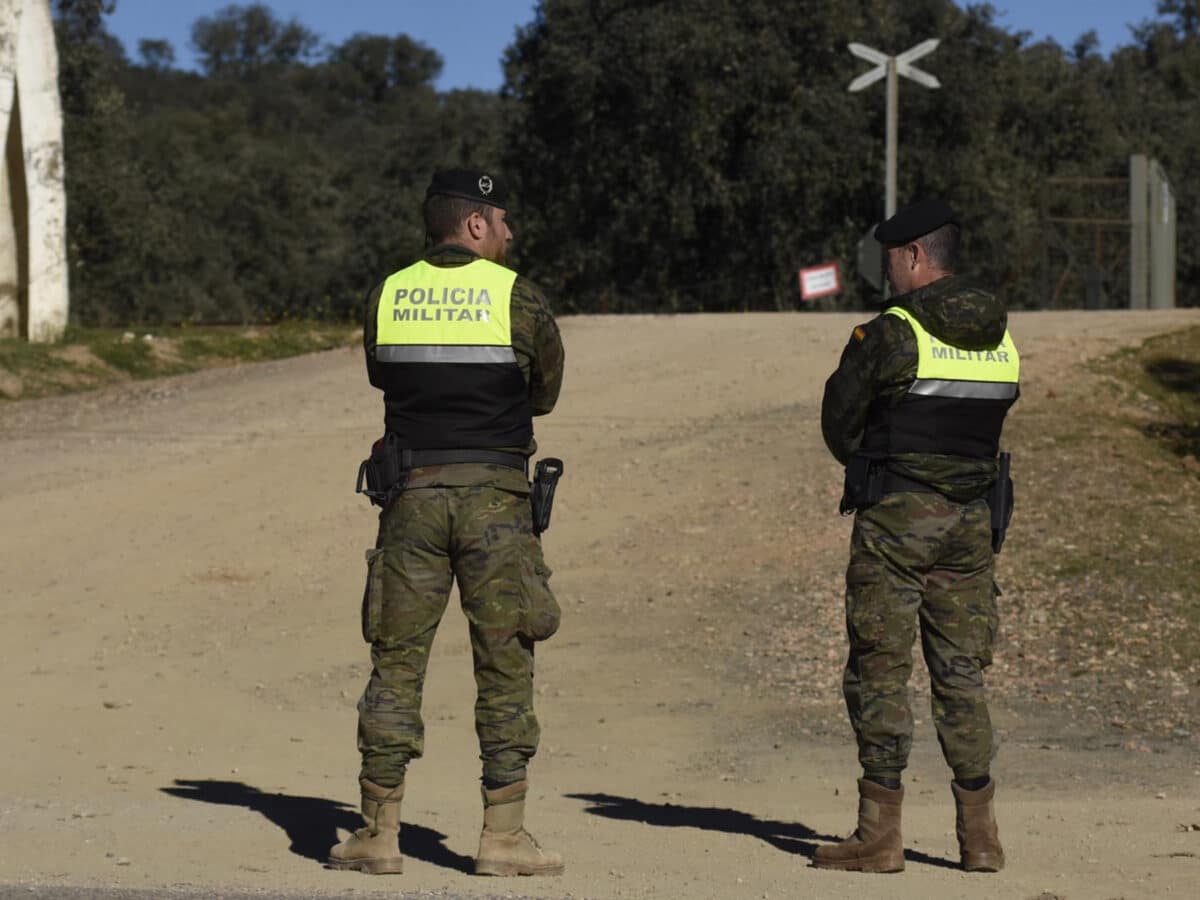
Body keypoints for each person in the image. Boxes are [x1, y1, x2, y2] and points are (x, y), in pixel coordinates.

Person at [328, 168, 566, 877]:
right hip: (496, 500)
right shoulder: (517, 296)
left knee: (396, 662)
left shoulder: (388, 294)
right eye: (501, 221)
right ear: (473, 225)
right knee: (505, 662)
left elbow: (382, 375)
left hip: (412, 500)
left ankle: (376, 832)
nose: (509, 233)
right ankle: (503, 837)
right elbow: (545, 390)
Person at [815, 197, 1019, 874]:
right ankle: (981, 838)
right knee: (962, 673)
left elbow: (840, 425)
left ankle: (879, 835)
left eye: (893, 259)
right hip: (971, 521)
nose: (889, 271)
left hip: (899, 519)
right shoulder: (1000, 333)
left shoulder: (894, 333)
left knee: (879, 667)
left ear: (914, 256)